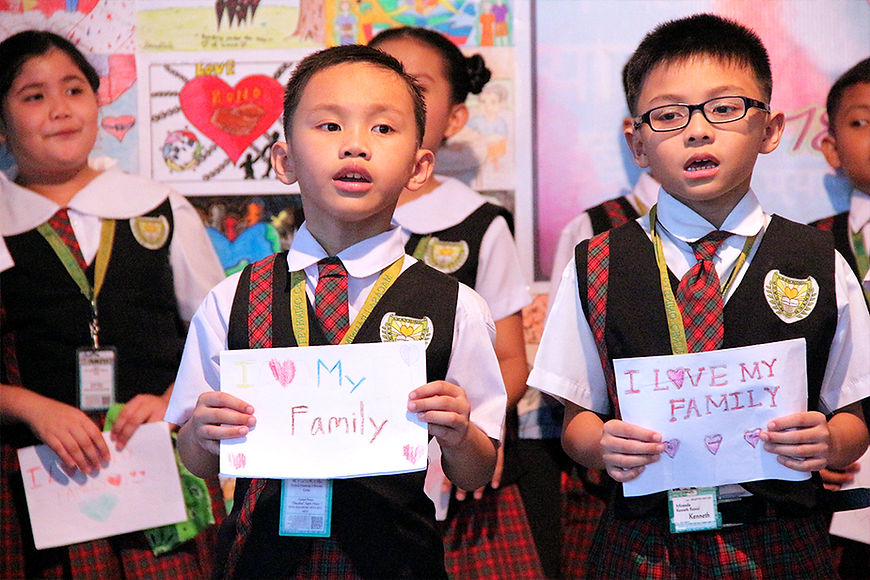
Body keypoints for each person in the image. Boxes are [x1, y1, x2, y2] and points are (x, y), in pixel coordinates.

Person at [528, 14, 870, 578]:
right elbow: (577, 421)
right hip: (644, 543)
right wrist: (603, 446)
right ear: (637, 143)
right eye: (668, 115)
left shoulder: (817, 259)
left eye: (724, 107)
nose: (697, 130)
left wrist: (829, 442)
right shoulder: (597, 262)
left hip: (780, 538)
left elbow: (854, 415)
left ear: (771, 128)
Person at [165, 44, 507, 579]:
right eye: (328, 126)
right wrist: (200, 432)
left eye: (383, 129)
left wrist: (460, 433)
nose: (354, 145)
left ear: (419, 168)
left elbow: (476, 469)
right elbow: (197, 460)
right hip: (260, 563)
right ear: (284, 161)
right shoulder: (231, 299)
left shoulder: (455, 306)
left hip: (397, 564)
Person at [0, 30, 226, 578]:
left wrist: (175, 400)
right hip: (36, 476)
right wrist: (31, 407)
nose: (60, 109)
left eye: (74, 90)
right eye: (34, 96)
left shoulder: (160, 208)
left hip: (156, 460)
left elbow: (222, 335)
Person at [369, 27, 557, 578]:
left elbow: (510, 365)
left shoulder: (479, 224)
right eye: (378, 79)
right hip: (361, 469)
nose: (392, 99)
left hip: (458, 475)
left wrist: (465, 437)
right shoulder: (330, 222)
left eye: (416, 87)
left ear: (452, 120)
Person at [814, 56, 870, 579]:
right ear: (830, 146)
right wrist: (820, 449)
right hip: (842, 496)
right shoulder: (801, 249)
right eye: (863, 121)